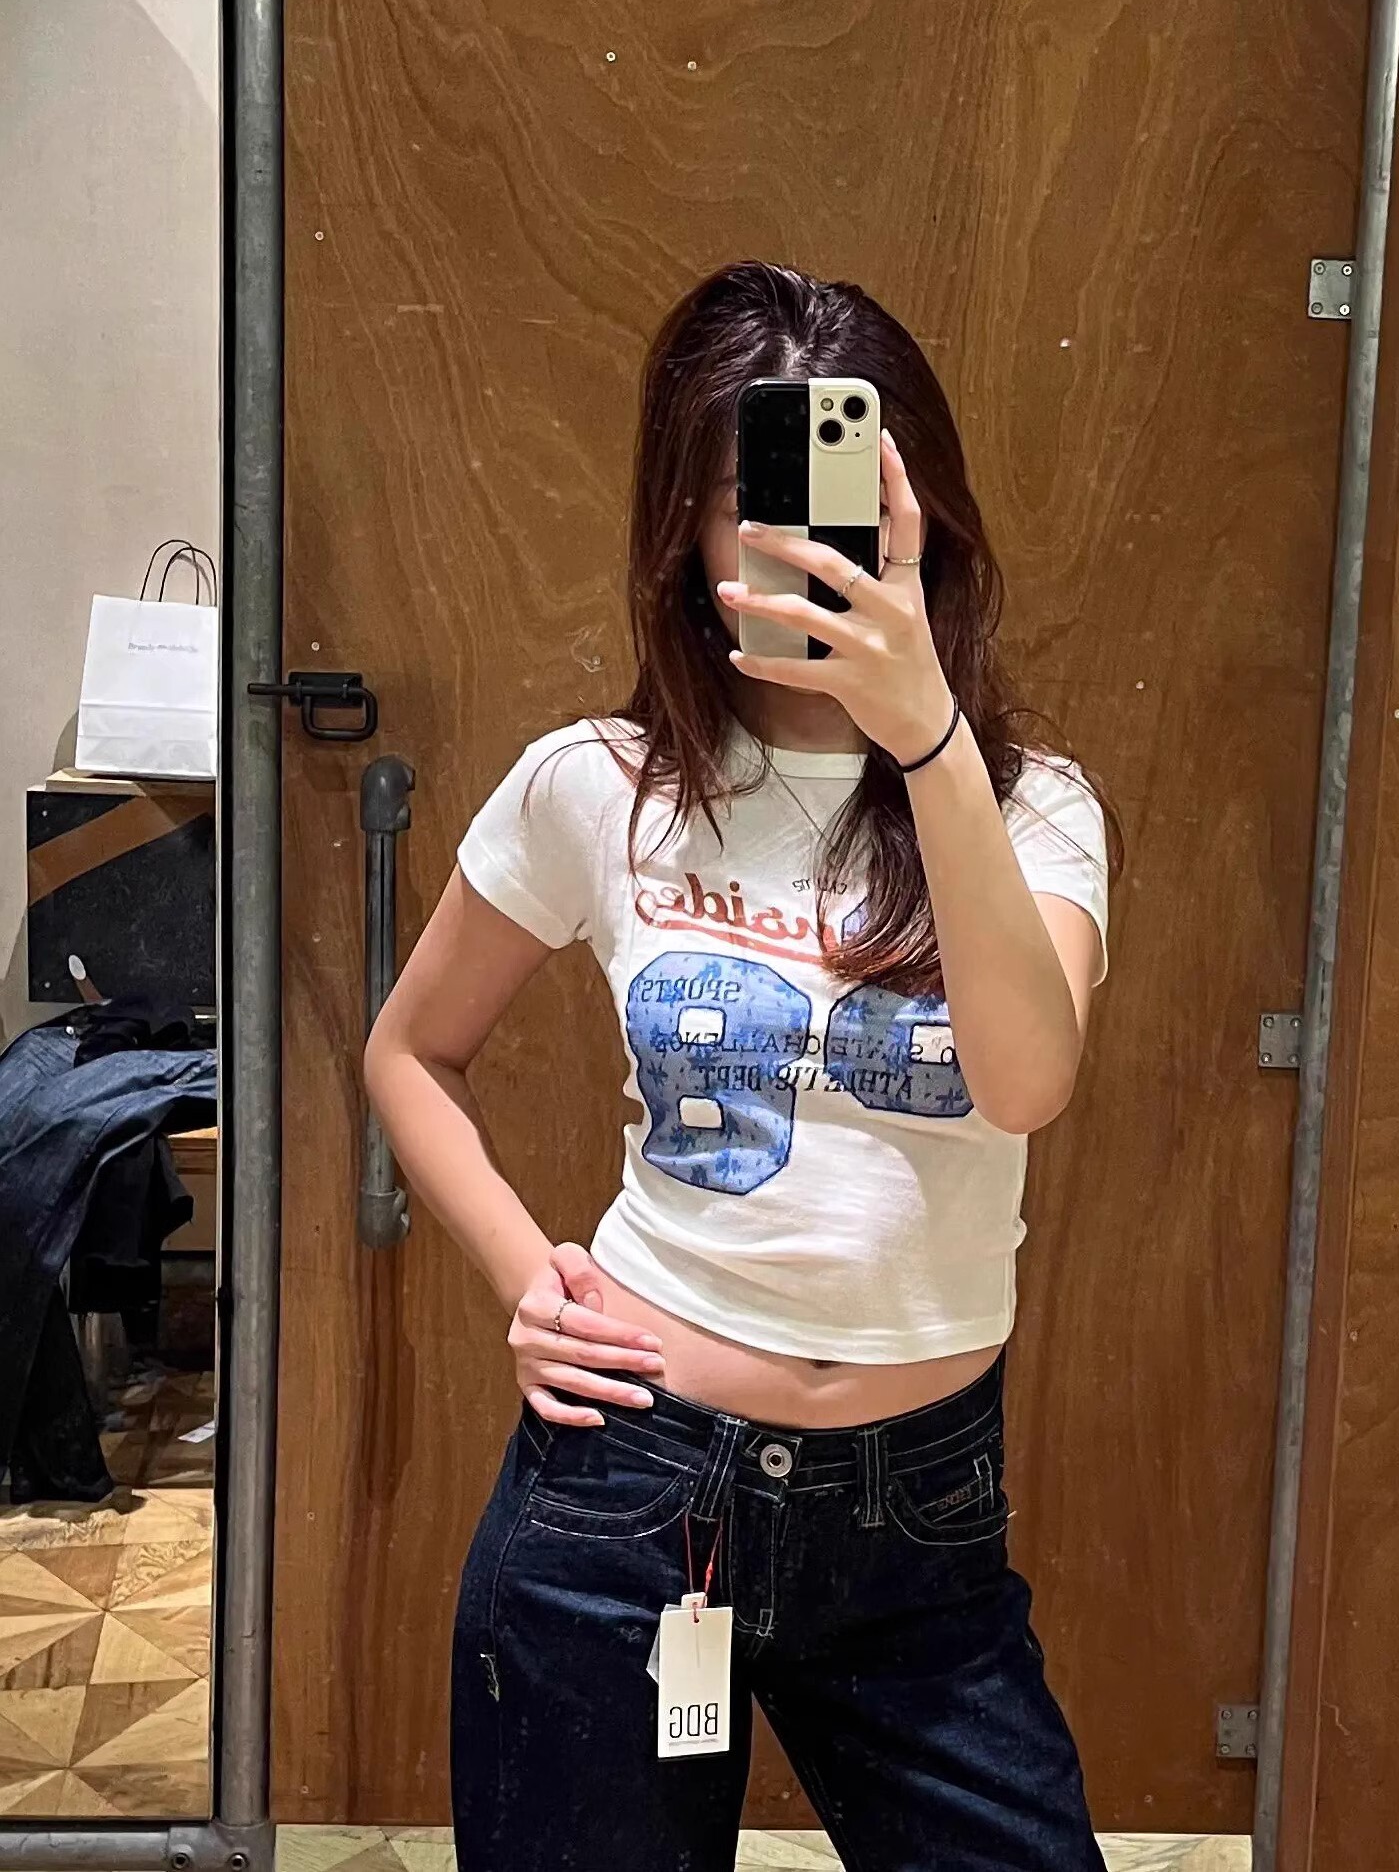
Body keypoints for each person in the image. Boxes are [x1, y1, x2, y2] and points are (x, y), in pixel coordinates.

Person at [365, 259, 1117, 1871]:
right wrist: (529, 1277)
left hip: (919, 1520)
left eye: (851, 506)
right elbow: (410, 1052)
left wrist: (926, 738)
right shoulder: (597, 785)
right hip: (625, 1487)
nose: (800, 546)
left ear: (923, 520)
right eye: (750, 504)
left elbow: (1025, 1084)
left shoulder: (1032, 806)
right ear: (687, 534)